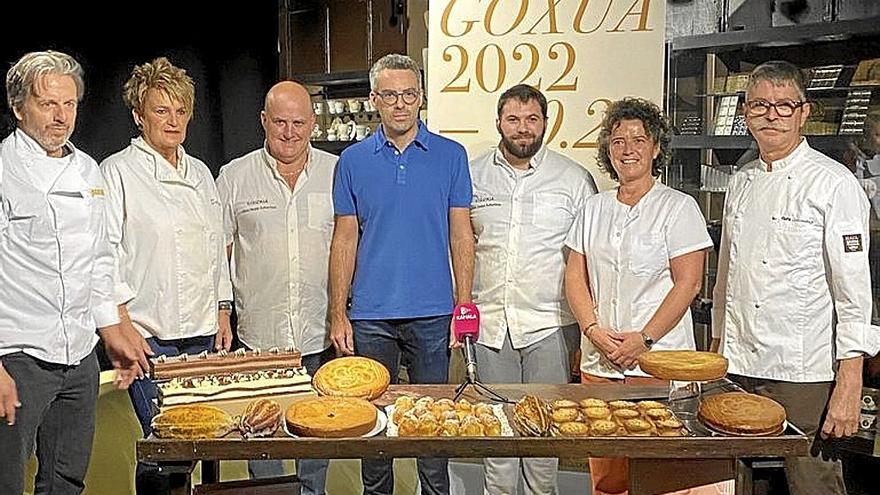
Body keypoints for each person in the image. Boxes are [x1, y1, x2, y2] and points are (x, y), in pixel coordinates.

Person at [712, 60, 880, 495]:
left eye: (784, 106)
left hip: (803, 371)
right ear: (746, 113)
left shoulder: (834, 184)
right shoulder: (741, 180)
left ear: (804, 112)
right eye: (760, 105)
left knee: (812, 483)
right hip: (739, 365)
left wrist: (850, 383)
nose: (771, 115)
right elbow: (726, 277)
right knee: (743, 483)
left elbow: (854, 293)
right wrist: (717, 345)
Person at [329, 53, 474, 495]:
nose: (400, 103)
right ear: (374, 99)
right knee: (374, 429)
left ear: (421, 98)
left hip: (433, 314)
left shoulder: (451, 156)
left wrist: (462, 306)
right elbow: (344, 241)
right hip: (371, 315)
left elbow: (462, 235)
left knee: (433, 429)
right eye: (389, 95)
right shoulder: (352, 161)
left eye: (408, 94)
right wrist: (339, 314)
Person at [0, 50, 144, 495]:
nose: (61, 117)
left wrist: (112, 329)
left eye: (70, 104)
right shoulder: (4, 170)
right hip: (18, 354)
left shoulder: (87, 170)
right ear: (19, 106)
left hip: (79, 356)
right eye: (48, 104)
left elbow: (99, 257)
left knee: (65, 481)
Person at [564, 98, 716, 495]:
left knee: (662, 473)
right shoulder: (593, 208)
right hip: (602, 361)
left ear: (656, 148)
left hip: (659, 362)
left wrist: (643, 340)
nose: (627, 149)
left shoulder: (679, 208)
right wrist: (593, 330)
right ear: (607, 150)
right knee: (607, 476)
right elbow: (575, 278)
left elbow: (689, 283)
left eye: (637, 139)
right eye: (617, 141)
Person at [100, 57, 232, 492]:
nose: (172, 121)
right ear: (139, 116)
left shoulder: (200, 174)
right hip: (147, 332)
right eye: (161, 111)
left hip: (200, 332)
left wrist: (223, 309)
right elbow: (105, 253)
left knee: (195, 441)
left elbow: (217, 247)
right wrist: (119, 323)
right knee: (165, 443)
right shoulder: (117, 172)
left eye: (180, 111)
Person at [469, 84, 596, 494]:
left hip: (549, 325)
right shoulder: (471, 175)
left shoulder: (574, 179)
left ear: (545, 123)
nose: (523, 128)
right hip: (489, 326)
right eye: (513, 119)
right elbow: (459, 245)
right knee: (499, 435)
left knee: (544, 436)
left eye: (532, 119)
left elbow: (587, 260)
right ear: (498, 123)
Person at [216, 80, 336, 492]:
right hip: (258, 340)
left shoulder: (337, 173)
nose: (289, 132)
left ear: (313, 123)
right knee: (262, 445)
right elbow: (220, 252)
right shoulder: (234, 176)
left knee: (315, 444)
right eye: (280, 122)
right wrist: (222, 310)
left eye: (299, 122)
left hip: (318, 336)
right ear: (263, 121)